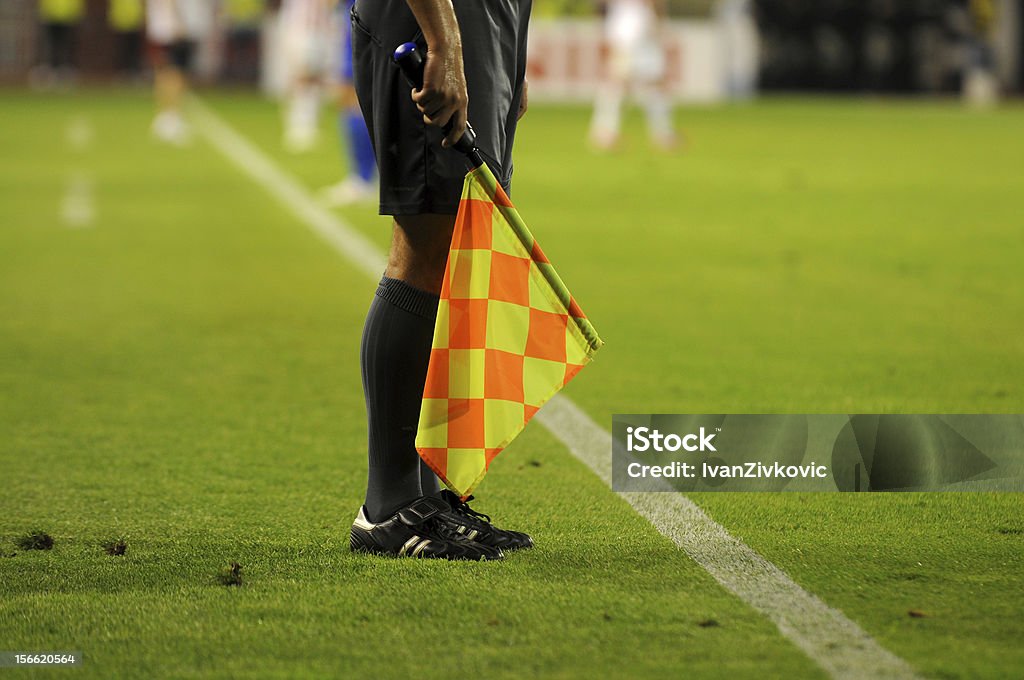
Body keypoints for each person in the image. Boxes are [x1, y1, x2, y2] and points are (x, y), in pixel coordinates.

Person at [347, 0, 534, 560]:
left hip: (485, 21)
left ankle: (425, 496)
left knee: (459, 249)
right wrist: (446, 42)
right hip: (433, 21)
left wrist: (513, 53)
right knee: (429, 241)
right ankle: (388, 505)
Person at [589, 0, 678, 151]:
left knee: (653, 82)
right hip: (627, 26)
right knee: (618, 82)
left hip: (639, 24)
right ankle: (604, 132)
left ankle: (662, 134)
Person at [319, 0, 377, 206]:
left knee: (352, 98)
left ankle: (362, 179)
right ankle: (366, 178)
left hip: (364, 19)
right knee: (357, 98)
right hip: (371, 19)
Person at [146, 0, 206, 145]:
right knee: (174, 74)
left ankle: (169, 115)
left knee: (168, 73)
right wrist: (178, 22)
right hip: (171, 29)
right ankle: (170, 117)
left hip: (166, 27)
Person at [278, 0, 332, 152]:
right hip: (301, 31)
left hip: (318, 31)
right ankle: (297, 126)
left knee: (315, 79)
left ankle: (309, 124)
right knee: (301, 77)